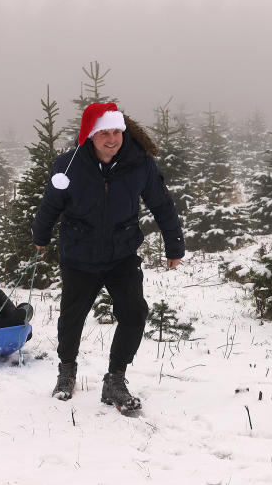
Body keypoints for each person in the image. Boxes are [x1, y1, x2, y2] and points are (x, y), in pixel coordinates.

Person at [32, 102, 184, 413]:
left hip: (121, 254)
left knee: (134, 312)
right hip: (79, 253)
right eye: (104, 133)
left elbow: (162, 205)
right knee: (72, 317)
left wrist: (175, 246)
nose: (112, 139)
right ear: (91, 135)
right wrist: (40, 236)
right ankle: (66, 371)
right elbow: (51, 203)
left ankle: (116, 378)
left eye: (116, 132)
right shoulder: (69, 164)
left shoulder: (140, 164)